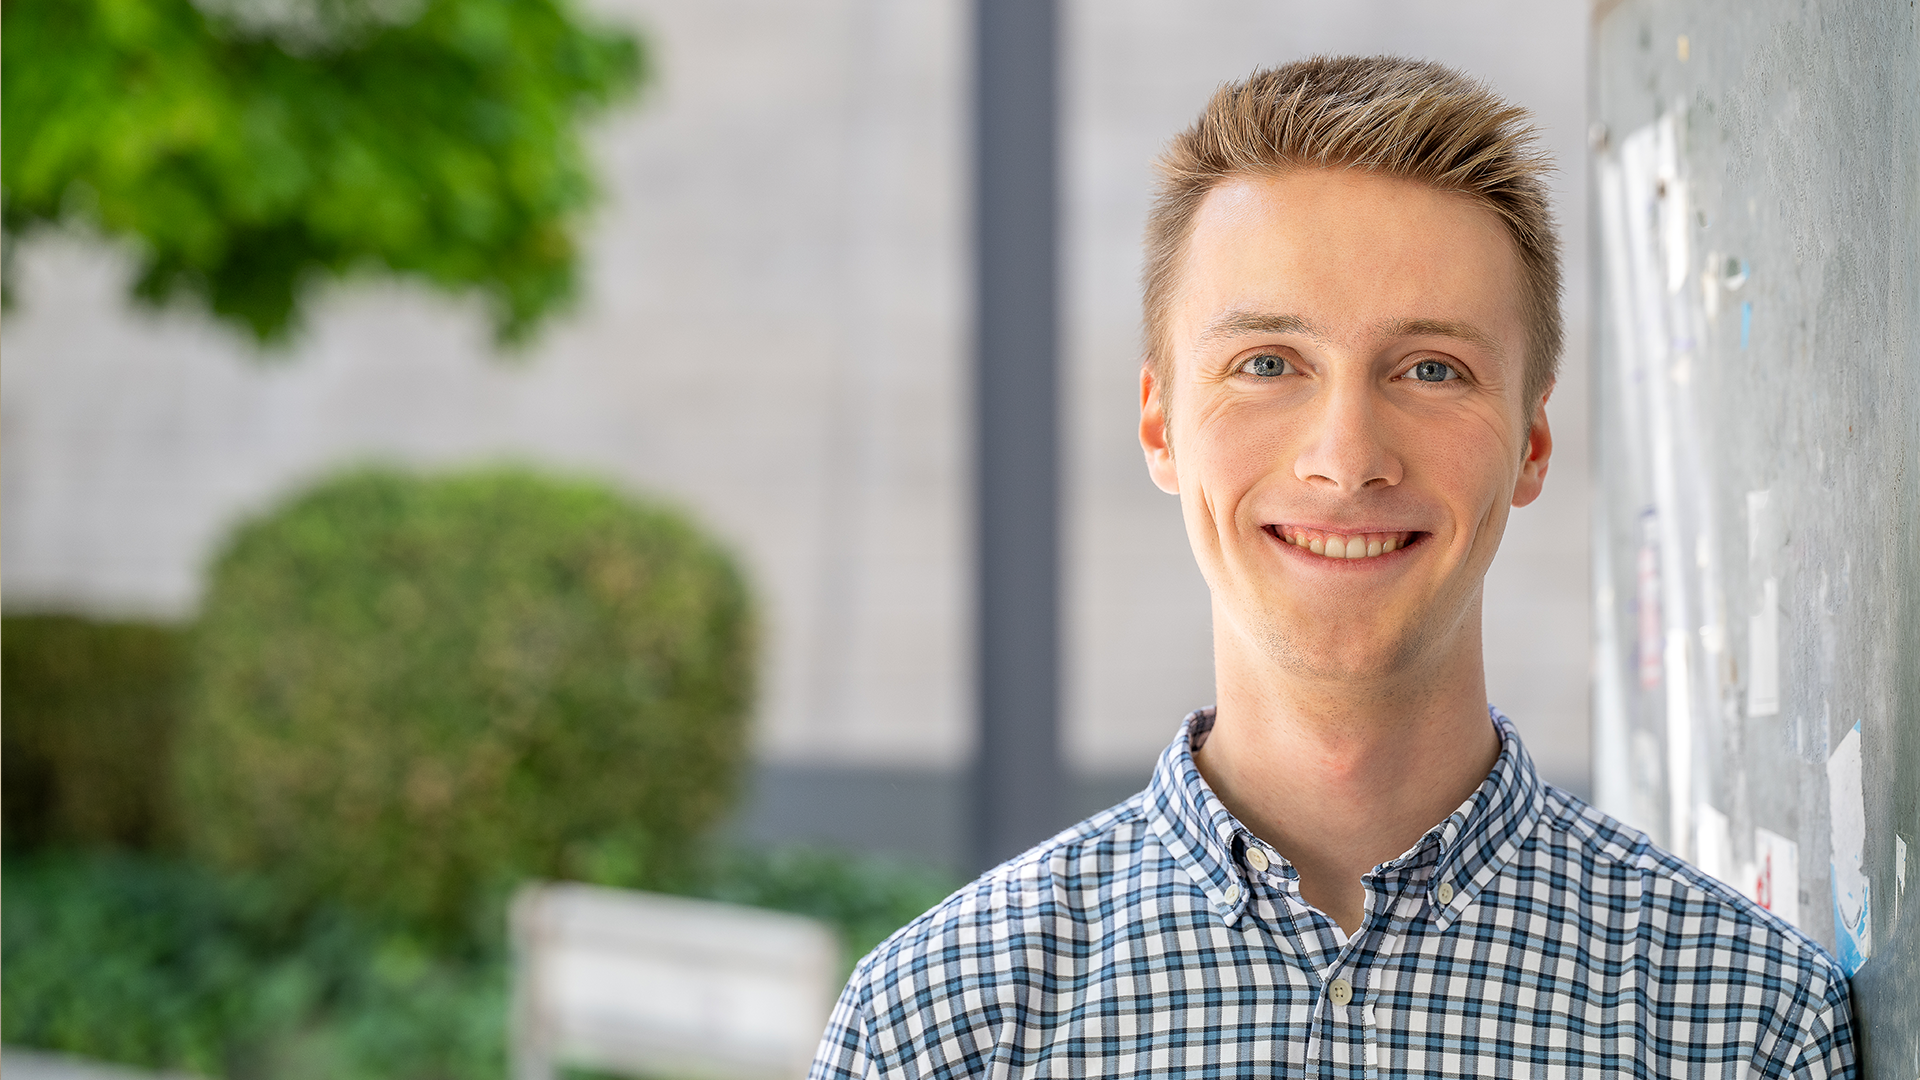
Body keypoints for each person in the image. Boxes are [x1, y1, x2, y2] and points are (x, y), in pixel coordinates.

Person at [809, 56, 1855, 1079]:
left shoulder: (1746, 1029)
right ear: (1160, 424)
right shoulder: (936, 1031)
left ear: (1531, 445)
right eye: (1268, 364)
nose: (1347, 458)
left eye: (1431, 368)